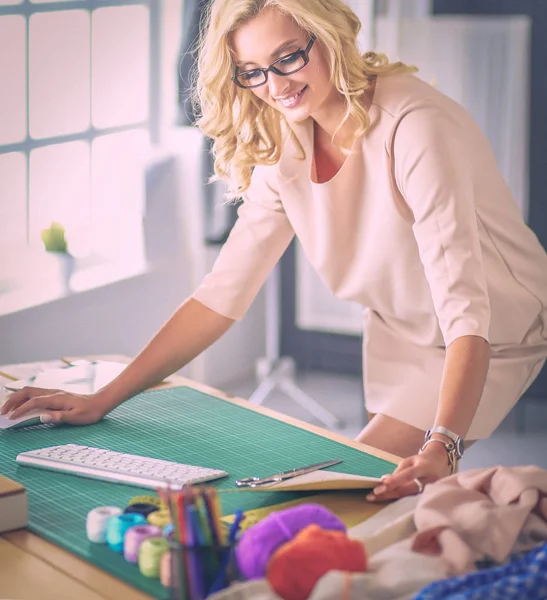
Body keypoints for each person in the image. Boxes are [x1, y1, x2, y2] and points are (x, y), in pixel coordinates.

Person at [3, 0, 547, 502]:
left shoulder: (416, 128)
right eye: (254, 71)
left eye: (288, 57)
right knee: (380, 488)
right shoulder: (289, 137)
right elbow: (221, 295)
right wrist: (104, 398)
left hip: (488, 333)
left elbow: (464, 308)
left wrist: (444, 443)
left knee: (365, 492)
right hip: (399, 326)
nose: (276, 85)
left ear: (327, 36)